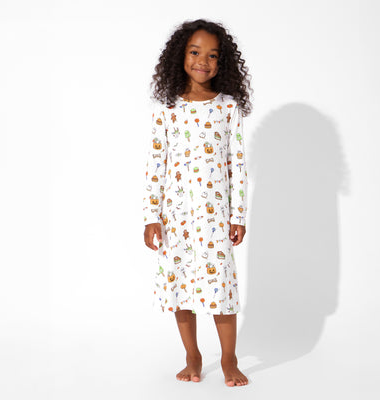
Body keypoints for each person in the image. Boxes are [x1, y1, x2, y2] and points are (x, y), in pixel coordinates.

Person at [142, 18, 252, 386]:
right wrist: (151, 216)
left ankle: (229, 358)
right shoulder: (167, 108)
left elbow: (237, 164)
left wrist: (238, 216)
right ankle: (192, 354)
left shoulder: (228, 108)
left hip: (214, 218)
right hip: (175, 218)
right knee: (181, 289)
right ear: (181, 56)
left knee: (221, 288)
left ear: (223, 62)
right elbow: (156, 163)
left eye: (213, 55)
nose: (203, 60)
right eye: (195, 52)